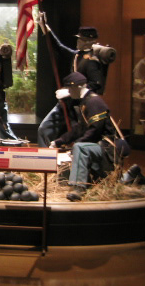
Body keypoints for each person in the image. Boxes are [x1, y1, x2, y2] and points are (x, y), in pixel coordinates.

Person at [49, 72, 130, 201]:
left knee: (80, 148)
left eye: (70, 88)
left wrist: (77, 144)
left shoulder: (94, 102)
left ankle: (79, 188)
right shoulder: (87, 102)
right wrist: (59, 141)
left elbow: (95, 129)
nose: (69, 92)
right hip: (98, 146)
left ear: (78, 87)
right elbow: (80, 128)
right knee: (78, 147)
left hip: (106, 148)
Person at [37, 25, 115, 147]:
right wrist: (47, 30)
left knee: (77, 135)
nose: (78, 41)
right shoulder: (77, 55)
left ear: (89, 41)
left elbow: (96, 85)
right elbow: (59, 48)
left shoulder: (93, 61)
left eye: (81, 39)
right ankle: (45, 156)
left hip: (80, 106)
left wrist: (70, 92)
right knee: (44, 129)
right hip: (67, 102)